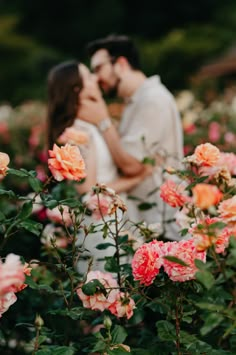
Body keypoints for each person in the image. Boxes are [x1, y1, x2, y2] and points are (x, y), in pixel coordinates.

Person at [47, 60, 151, 272]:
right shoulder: (78, 133)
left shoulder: (87, 126)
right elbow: (86, 189)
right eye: (88, 76)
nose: (96, 78)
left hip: (110, 218)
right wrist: (133, 179)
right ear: (77, 89)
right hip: (99, 224)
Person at [77, 35, 184, 240]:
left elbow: (133, 166)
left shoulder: (152, 100)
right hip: (148, 220)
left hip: (160, 224)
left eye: (98, 68)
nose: (96, 78)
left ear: (121, 64)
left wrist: (103, 122)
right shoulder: (136, 101)